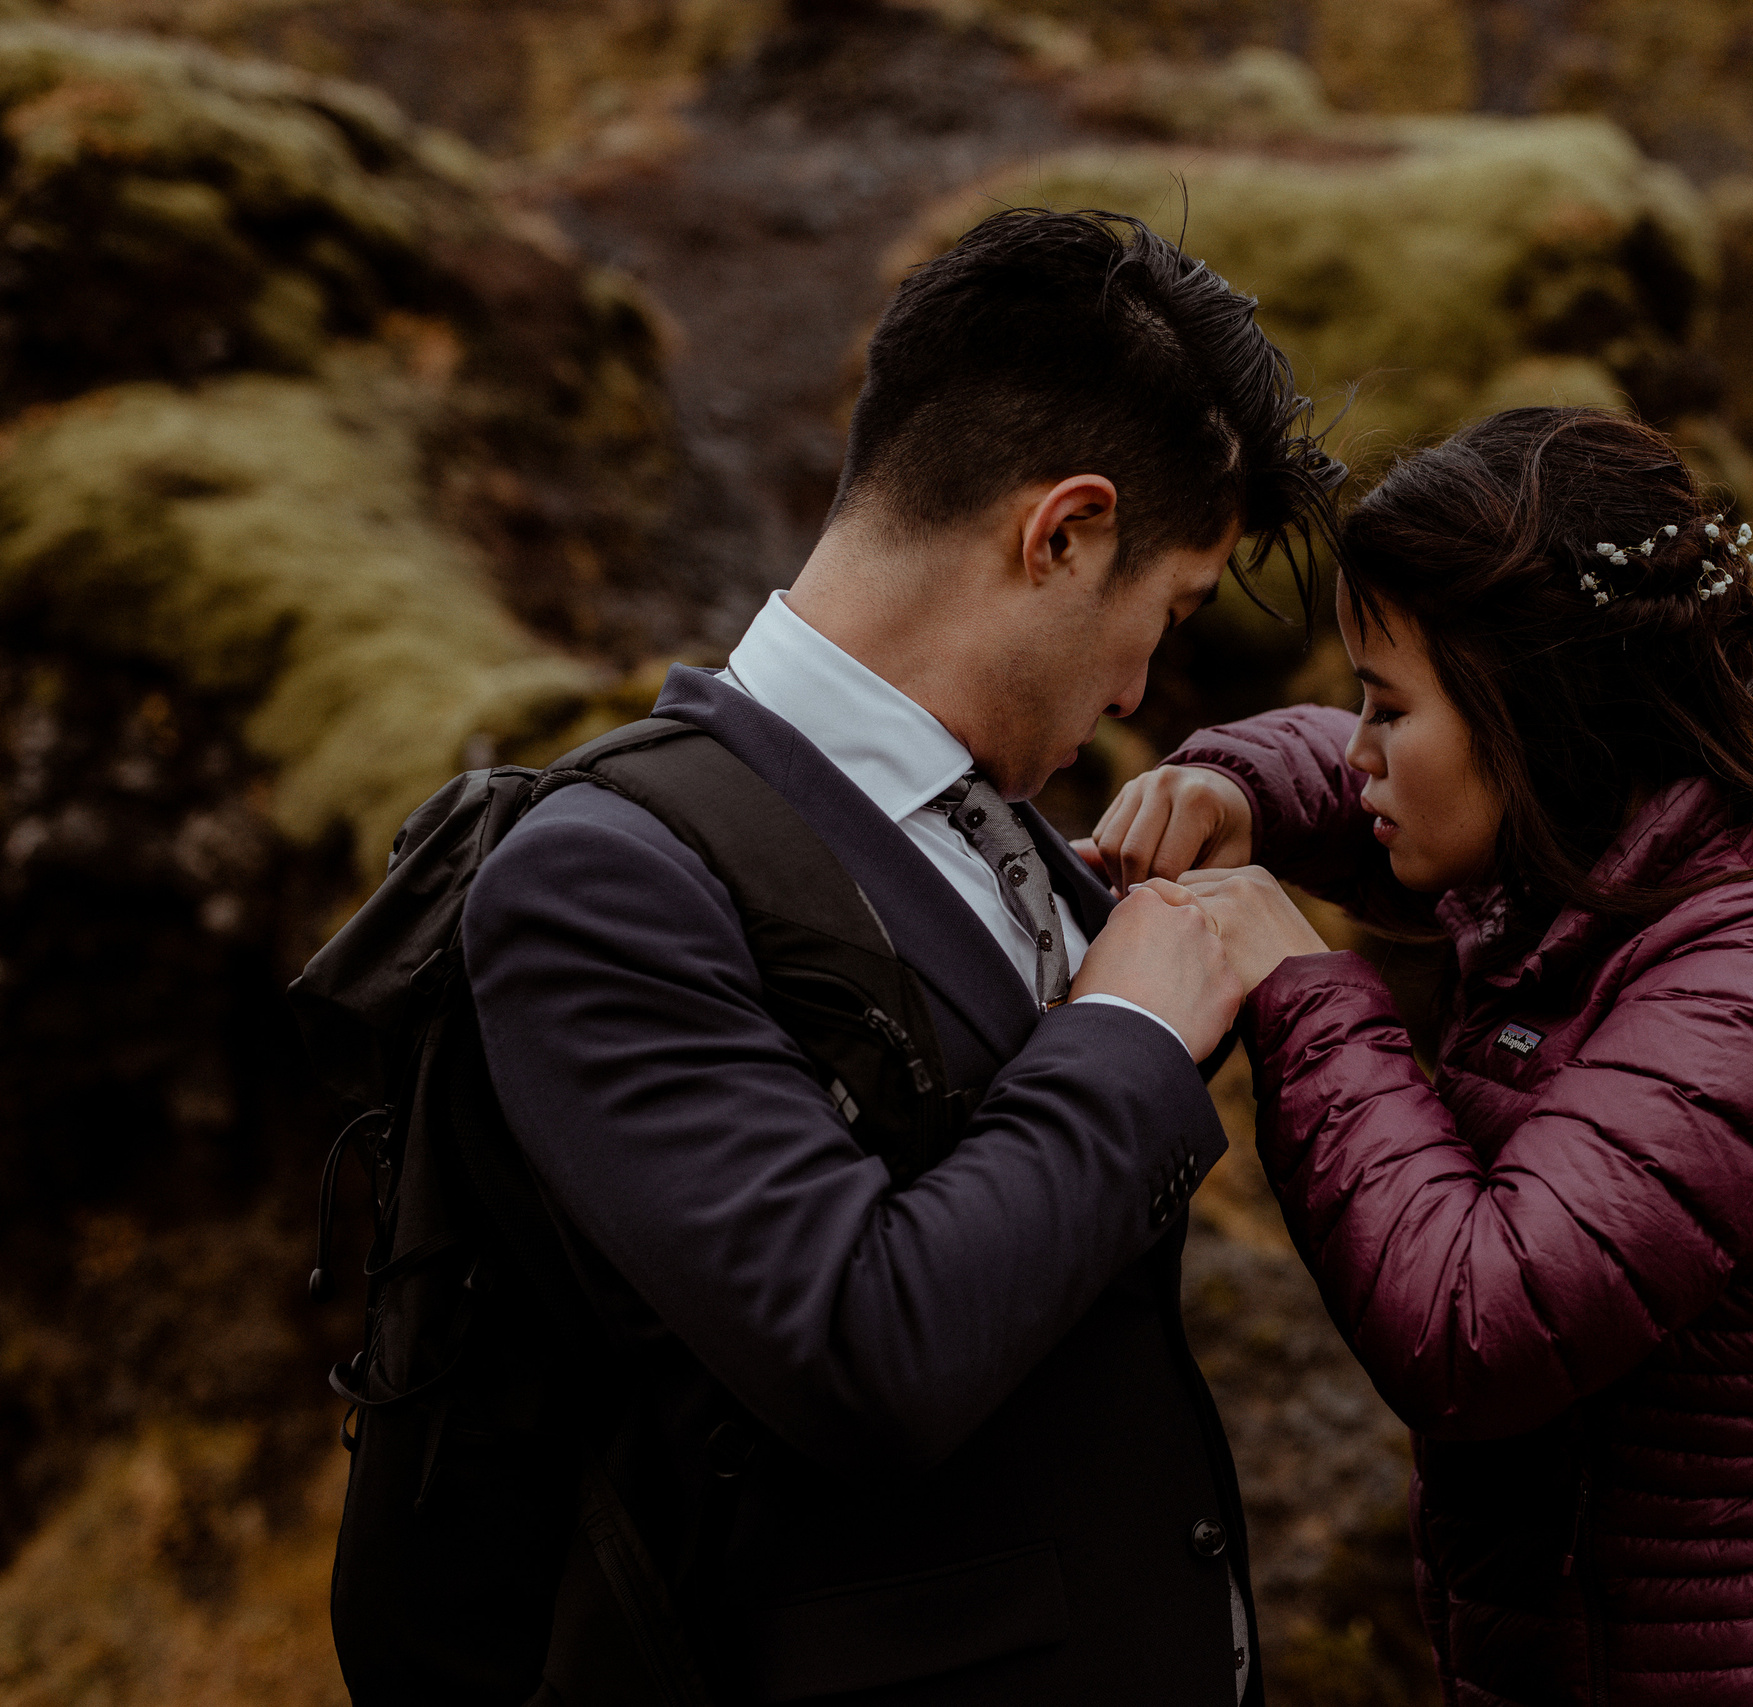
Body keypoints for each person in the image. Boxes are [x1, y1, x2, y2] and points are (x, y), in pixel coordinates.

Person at [459, 208, 1341, 1705]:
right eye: (1165, 614)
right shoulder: (601, 881)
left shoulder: (1019, 831)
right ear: (1061, 533)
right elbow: (861, 1348)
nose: (1141, 684)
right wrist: (1128, 1033)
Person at [1090, 407, 1753, 1707]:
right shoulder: (1591, 844)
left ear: (1540, 715)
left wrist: (1301, 995)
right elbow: (1349, 775)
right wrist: (1233, 785)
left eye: (1387, 707)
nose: (1358, 751)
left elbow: (1481, 1323)